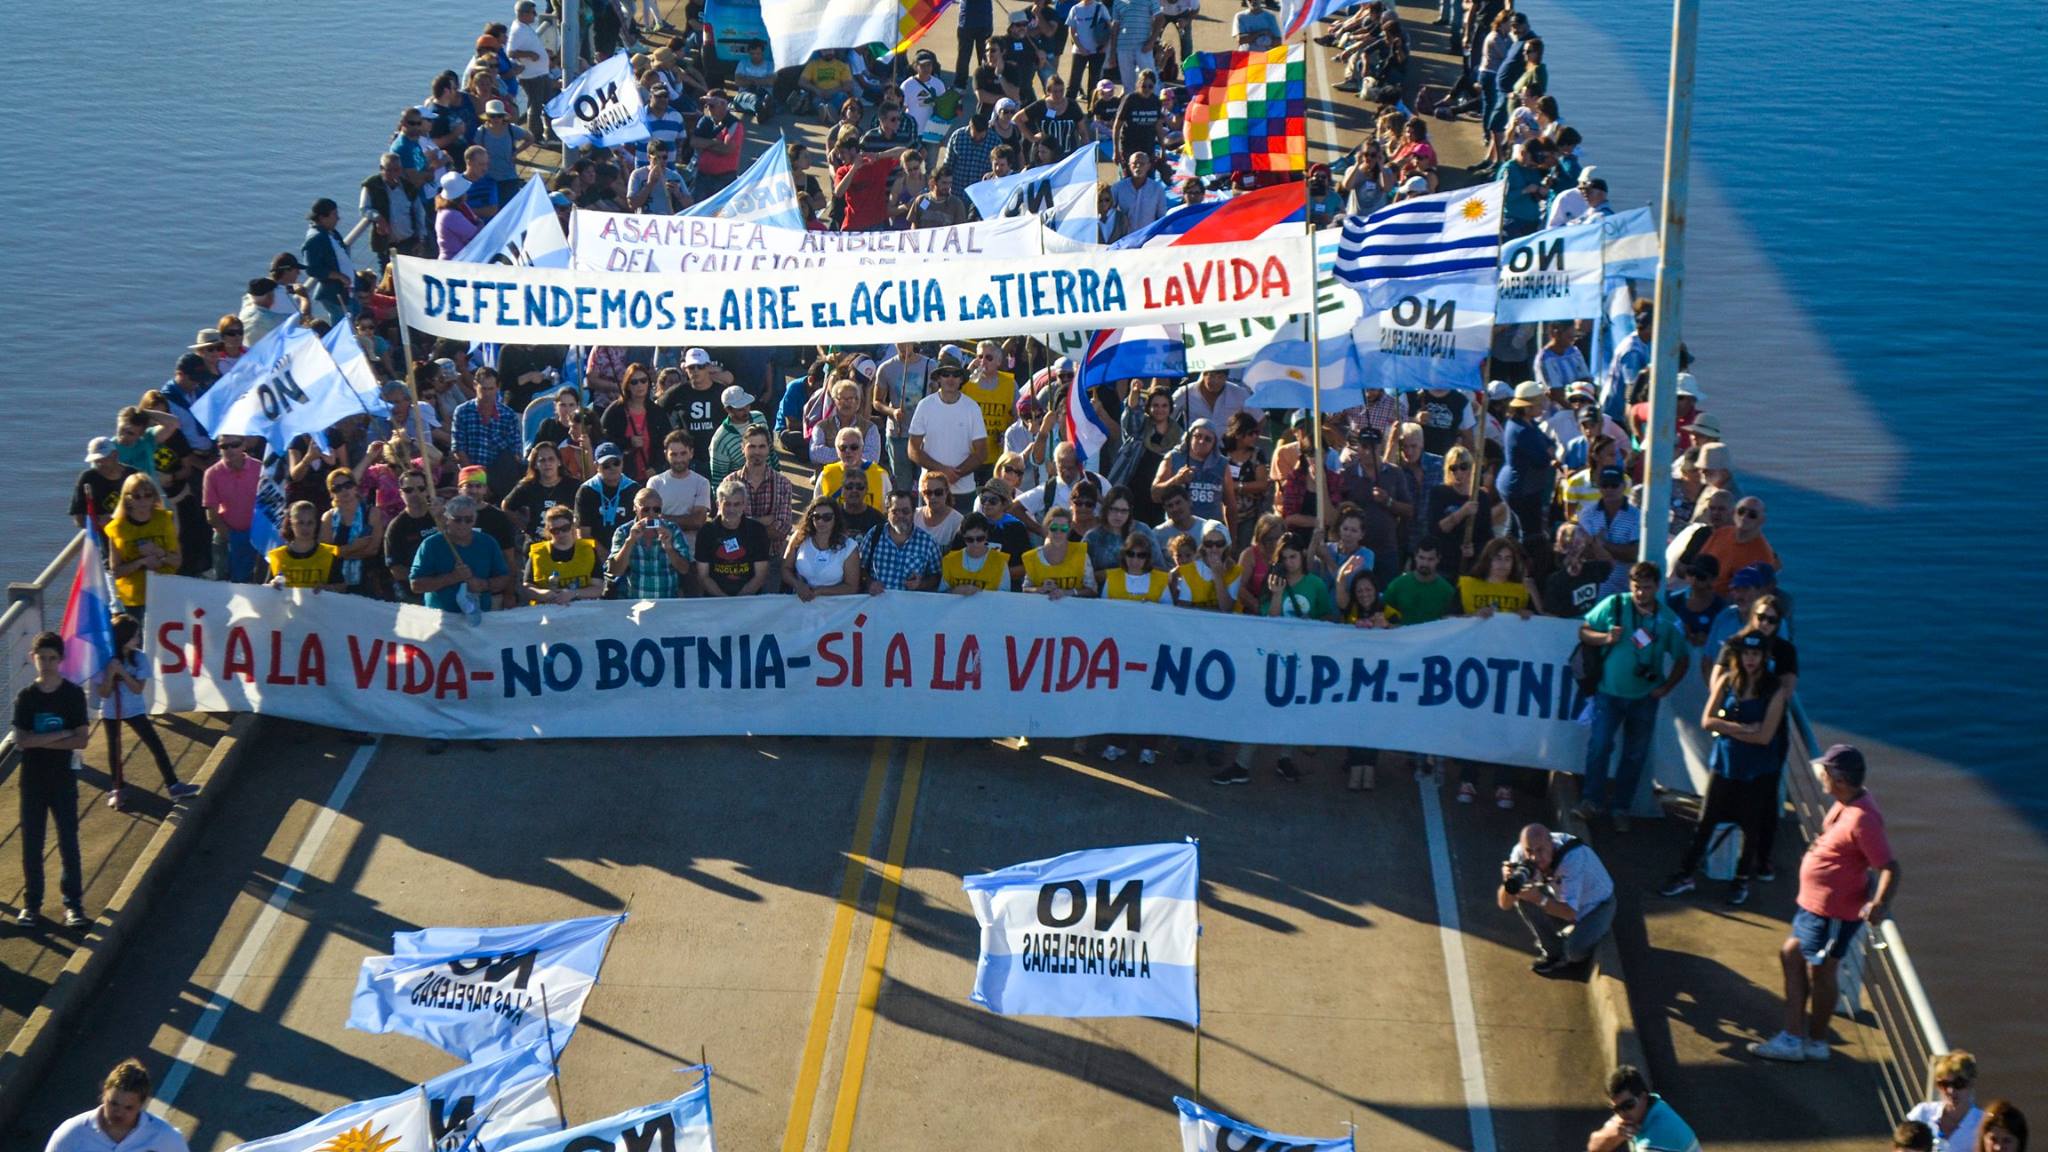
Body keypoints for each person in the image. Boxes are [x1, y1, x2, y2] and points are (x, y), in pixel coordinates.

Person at [1749, 744, 1900, 1064]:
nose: (1820, 776)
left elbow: (1889, 867)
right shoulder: (1849, 801)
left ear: (1840, 779)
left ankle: (1803, 1041)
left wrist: (1879, 902)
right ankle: (1809, 1039)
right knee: (1794, 956)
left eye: (1825, 772)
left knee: (1820, 971)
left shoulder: (1863, 819)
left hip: (1831, 913)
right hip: (1816, 908)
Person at [1658, 630, 1789, 905]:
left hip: (1757, 772)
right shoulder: (1728, 680)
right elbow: (1708, 721)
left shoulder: (1774, 690)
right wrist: (1742, 728)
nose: (1750, 659)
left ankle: (1740, 880)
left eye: (1756, 654)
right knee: (1706, 821)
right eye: (1746, 653)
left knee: (1750, 827)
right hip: (1724, 765)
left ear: (1764, 657)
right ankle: (1685, 874)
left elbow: (1765, 737)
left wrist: (1728, 728)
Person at [1573, 562, 1690, 829]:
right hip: (1608, 693)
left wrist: (1666, 687)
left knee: (1635, 754)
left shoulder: (1668, 620)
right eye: (1637, 588)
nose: (1641, 593)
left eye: (1647, 588)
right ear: (1630, 585)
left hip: (1645, 697)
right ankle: (1591, 801)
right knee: (1600, 746)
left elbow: (1682, 659)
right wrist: (1604, 638)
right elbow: (1583, 631)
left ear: (1657, 588)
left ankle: (1621, 808)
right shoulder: (1614, 605)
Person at [13, 633, 91, 929]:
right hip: (32, 780)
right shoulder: (27, 697)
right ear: (33, 657)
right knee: (32, 845)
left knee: (68, 842)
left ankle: (73, 906)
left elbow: (82, 740)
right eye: (41, 657)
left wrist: (40, 740)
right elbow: (22, 741)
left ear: (60, 660)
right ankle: (32, 905)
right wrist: (62, 734)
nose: (45, 664)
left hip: (63, 780)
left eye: (51, 658)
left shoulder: (71, 695)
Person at [1497, 822, 1615, 977]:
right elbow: (1504, 904)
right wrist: (1508, 883)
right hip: (1562, 898)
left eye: (1540, 850)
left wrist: (1539, 899)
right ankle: (1553, 952)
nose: (1534, 857)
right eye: (1529, 851)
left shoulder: (1573, 858)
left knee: (1574, 953)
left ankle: (1590, 931)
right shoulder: (1520, 854)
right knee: (1523, 897)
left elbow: (1569, 913)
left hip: (1597, 905)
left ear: (1551, 844)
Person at [43, 1057, 190, 1152]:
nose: (118, 1113)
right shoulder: (72, 1134)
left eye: (128, 1108)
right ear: (104, 1093)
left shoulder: (166, 1138)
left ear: (141, 1104)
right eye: (113, 1103)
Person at [408, 494, 513, 620]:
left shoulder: (488, 542)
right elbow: (415, 585)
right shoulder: (431, 545)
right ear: (447, 519)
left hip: (479, 617)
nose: (463, 524)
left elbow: (504, 577)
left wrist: (484, 584)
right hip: (441, 620)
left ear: (474, 520)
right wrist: (452, 578)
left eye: (468, 520)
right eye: (457, 519)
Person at [909, 357, 989, 508]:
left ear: (961, 379)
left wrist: (956, 474)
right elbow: (913, 450)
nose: (950, 379)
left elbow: (982, 452)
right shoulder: (924, 406)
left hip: (963, 491)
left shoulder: (972, 407)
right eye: (945, 374)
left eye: (955, 375)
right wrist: (942, 472)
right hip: (930, 490)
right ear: (939, 378)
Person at [105, 474, 180, 623]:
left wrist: (161, 554)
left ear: (154, 497)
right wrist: (142, 562)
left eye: (147, 495)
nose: (143, 501)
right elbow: (116, 571)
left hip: (164, 592)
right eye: (136, 496)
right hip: (134, 599)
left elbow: (177, 561)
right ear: (127, 499)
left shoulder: (165, 519)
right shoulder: (117, 528)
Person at [1586, 1064, 1699, 1152]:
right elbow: (1593, 1147)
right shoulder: (1651, 1106)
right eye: (1617, 1109)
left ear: (1643, 1097)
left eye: (1628, 1105)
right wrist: (1616, 1134)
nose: (1622, 1113)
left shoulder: (1655, 1138)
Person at [608, 488, 692, 599]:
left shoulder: (672, 529)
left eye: (656, 510)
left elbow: (684, 569)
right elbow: (615, 571)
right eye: (646, 510)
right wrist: (630, 541)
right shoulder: (623, 531)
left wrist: (669, 548)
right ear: (635, 508)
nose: (651, 514)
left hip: (668, 601)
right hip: (634, 601)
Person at [695, 478, 772, 598]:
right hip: (715, 599)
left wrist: (738, 601)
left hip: (748, 599)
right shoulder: (706, 531)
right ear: (718, 504)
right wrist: (724, 599)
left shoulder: (757, 530)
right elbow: (703, 576)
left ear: (744, 504)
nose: (731, 509)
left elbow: (760, 576)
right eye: (727, 504)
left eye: (737, 504)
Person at [861, 489, 944, 593]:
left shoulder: (927, 542)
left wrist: (921, 584)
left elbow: (937, 576)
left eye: (905, 511)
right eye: (895, 512)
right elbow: (860, 568)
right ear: (887, 512)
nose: (900, 516)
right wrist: (870, 583)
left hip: (910, 607)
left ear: (913, 512)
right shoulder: (874, 535)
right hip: (877, 604)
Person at [522, 506, 606, 606]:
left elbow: (598, 588)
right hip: (547, 609)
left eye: (565, 528)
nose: (560, 533)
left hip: (583, 609)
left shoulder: (588, 550)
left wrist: (573, 593)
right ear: (548, 530)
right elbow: (527, 586)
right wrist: (543, 594)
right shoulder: (538, 553)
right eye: (555, 530)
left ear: (572, 526)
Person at [785, 498, 865, 601]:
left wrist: (821, 591)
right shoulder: (799, 537)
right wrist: (797, 584)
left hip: (833, 608)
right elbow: (785, 569)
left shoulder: (849, 547)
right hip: (799, 602)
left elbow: (851, 587)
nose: (821, 521)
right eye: (816, 517)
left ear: (836, 518)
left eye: (827, 517)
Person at [1905, 1051, 1983, 1152]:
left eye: (1958, 1083)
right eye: (1944, 1084)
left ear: (1971, 1083)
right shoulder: (1922, 1113)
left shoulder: (1983, 1123)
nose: (1951, 1091)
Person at [266, 501, 344, 592]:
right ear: (291, 524)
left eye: (310, 523)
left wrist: (327, 588)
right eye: (300, 523)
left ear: (316, 524)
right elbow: (266, 588)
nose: (305, 528)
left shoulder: (328, 555)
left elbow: (342, 586)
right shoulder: (278, 556)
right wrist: (272, 585)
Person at [1021, 505, 1096, 598]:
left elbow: (1092, 590)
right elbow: (1025, 588)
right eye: (1054, 528)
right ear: (1047, 528)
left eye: (1063, 528)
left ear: (1069, 529)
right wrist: (1040, 589)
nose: (1058, 532)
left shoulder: (1081, 554)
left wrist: (1068, 592)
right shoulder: (1032, 557)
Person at [1383, 539, 1458, 625]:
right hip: (1402, 636)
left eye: (1430, 559)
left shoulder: (1447, 591)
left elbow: (1452, 622)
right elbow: (1380, 610)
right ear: (1415, 557)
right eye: (1421, 558)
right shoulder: (1397, 585)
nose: (1425, 564)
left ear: (1438, 559)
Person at [940, 513, 1012, 593]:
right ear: (963, 537)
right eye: (970, 539)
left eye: (980, 539)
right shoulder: (950, 560)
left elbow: (1005, 597)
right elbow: (942, 595)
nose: (975, 544)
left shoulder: (1000, 561)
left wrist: (980, 593)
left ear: (986, 535)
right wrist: (954, 591)